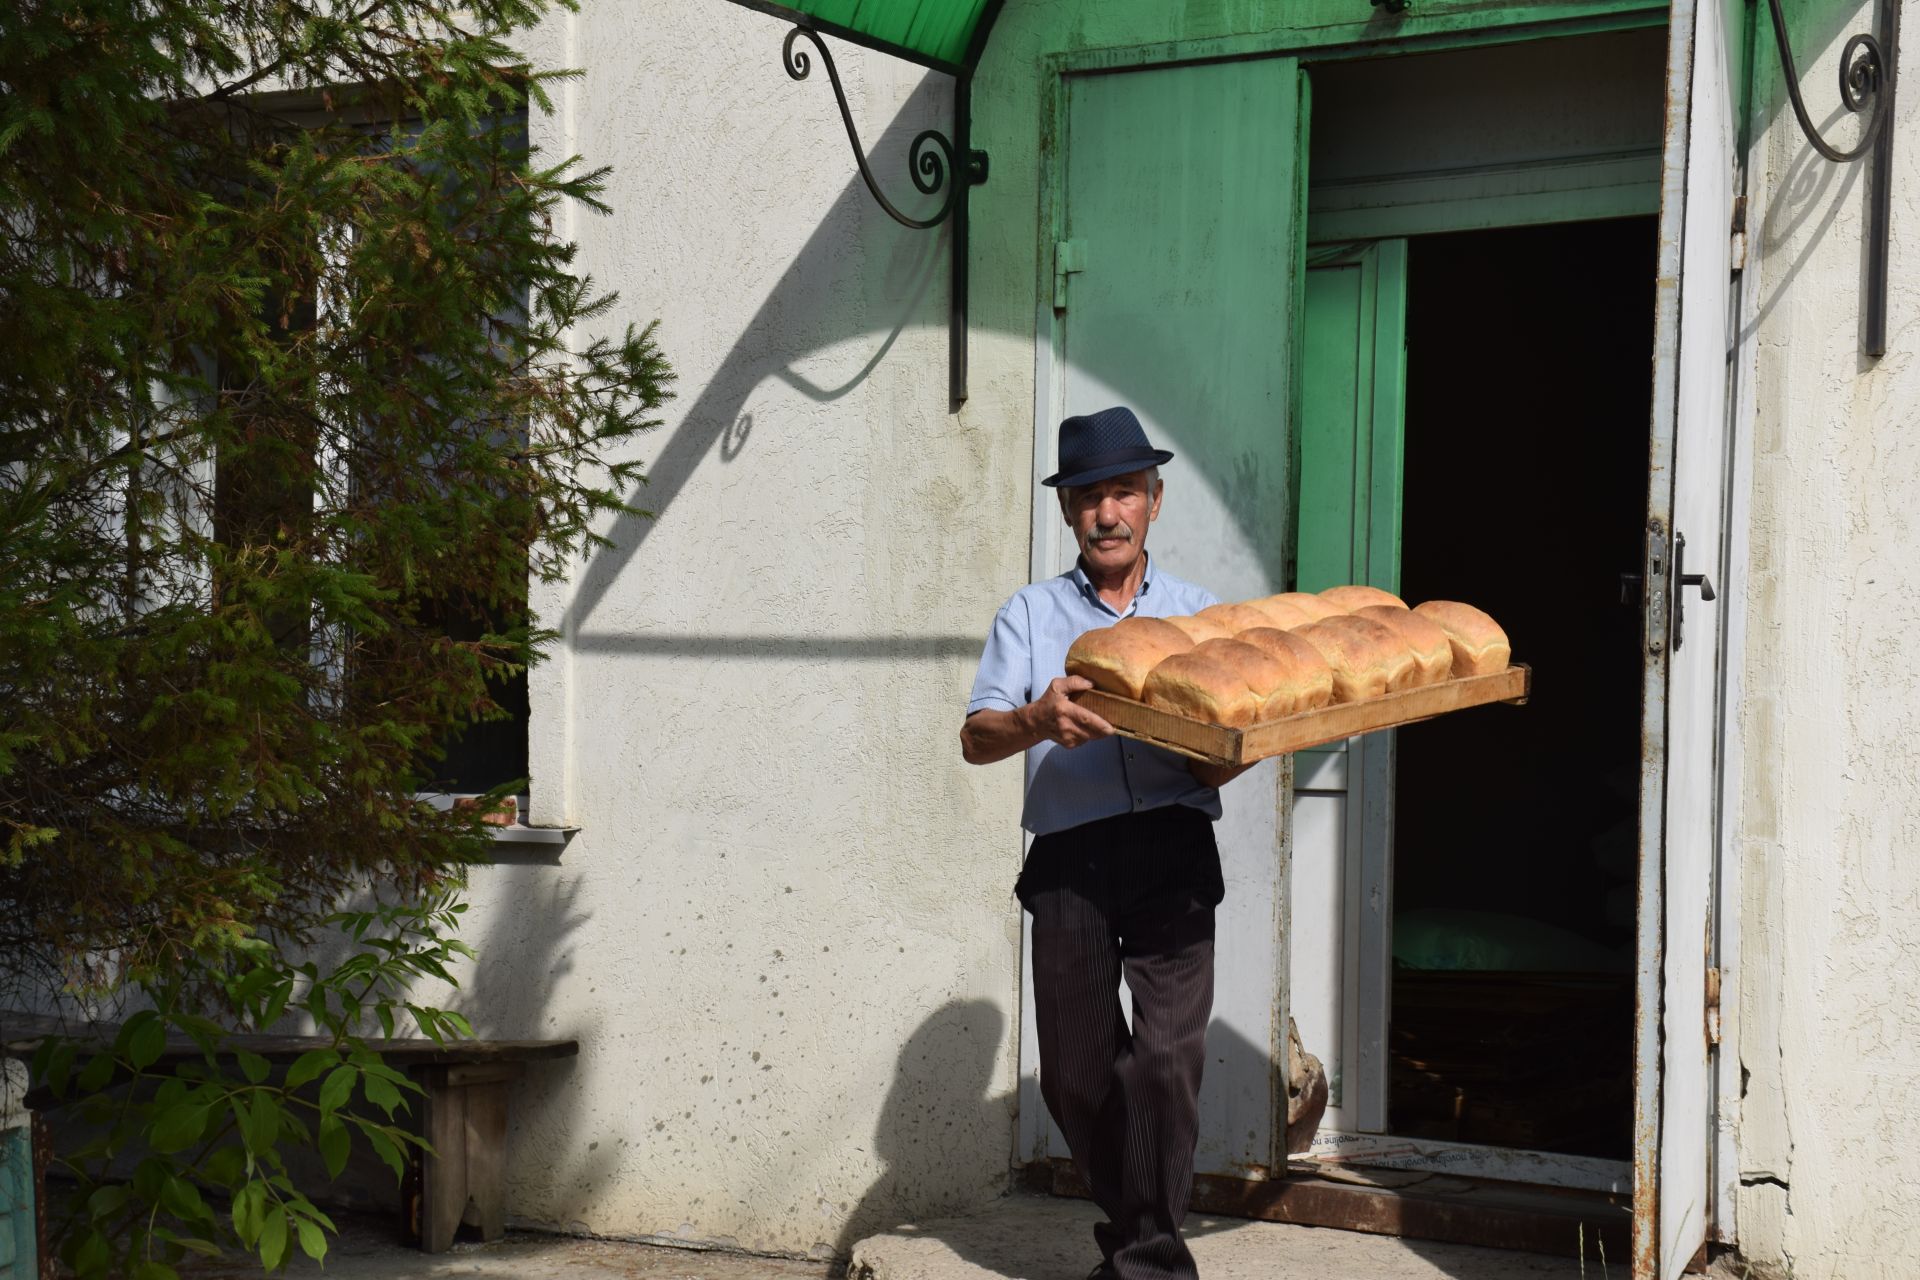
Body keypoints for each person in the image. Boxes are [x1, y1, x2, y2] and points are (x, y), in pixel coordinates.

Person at [960, 406, 1249, 1280]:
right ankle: (1140, 1240)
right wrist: (1034, 718)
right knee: (1079, 1079)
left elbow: (1234, 749)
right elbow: (976, 737)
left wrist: (1222, 759)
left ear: (1155, 501)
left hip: (1173, 851)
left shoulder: (1203, 619)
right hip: (1070, 862)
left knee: (1165, 1062)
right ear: (1067, 512)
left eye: (1125, 492)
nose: (1108, 513)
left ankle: (1148, 1267)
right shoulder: (1031, 614)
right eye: (1089, 497)